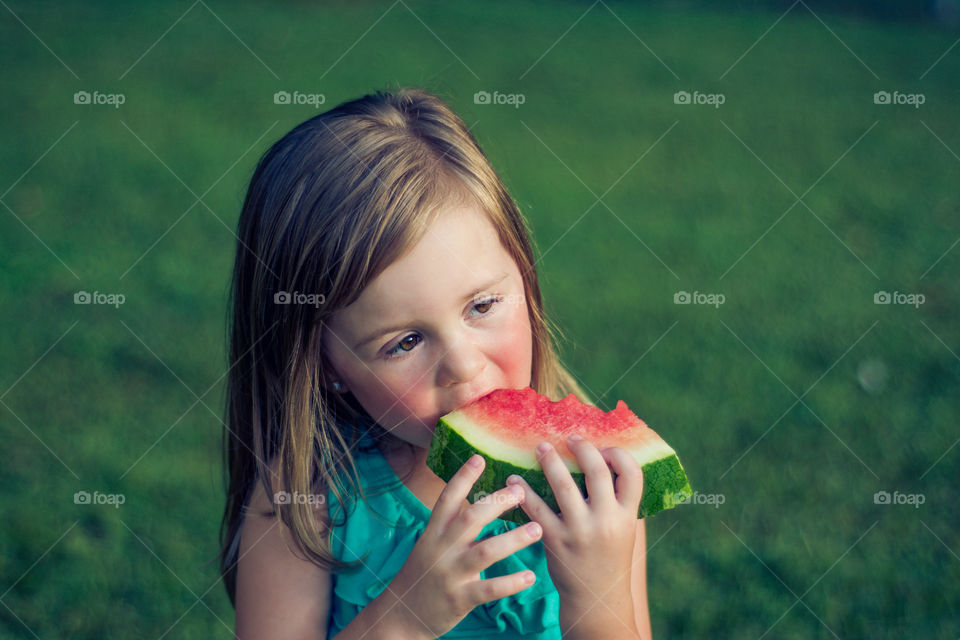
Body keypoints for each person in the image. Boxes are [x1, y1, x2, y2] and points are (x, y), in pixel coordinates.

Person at [218, 87, 652, 639]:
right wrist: (405, 617)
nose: (465, 367)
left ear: (524, 272)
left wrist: (600, 592)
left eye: (482, 306)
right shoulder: (304, 503)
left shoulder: (594, 480)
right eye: (403, 343)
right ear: (323, 364)